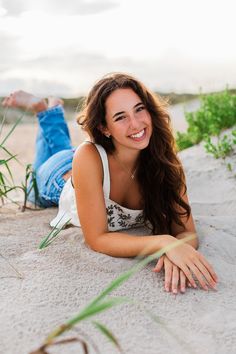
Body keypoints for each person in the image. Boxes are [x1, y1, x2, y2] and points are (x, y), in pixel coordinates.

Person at [2, 72, 218, 295]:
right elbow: (97, 238)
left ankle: (51, 111)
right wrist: (163, 243)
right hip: (59, 178)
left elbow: (187, 232)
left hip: (98, 158)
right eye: (120, 117)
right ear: (105, 127)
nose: (136, 123)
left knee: (64, 149)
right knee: (39, 175)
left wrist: (176, 249)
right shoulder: (87, 156)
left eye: (139, 109)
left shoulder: (165, 161)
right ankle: (44, 111)